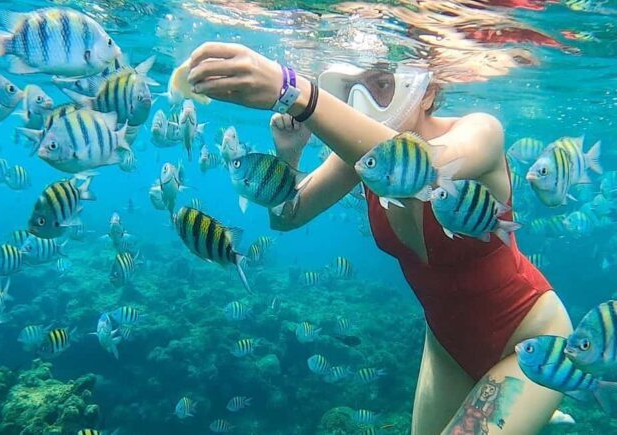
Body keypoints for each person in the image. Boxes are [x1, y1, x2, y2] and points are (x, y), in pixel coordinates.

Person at [184, 42, 572, 434]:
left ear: (428, 91)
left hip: (533, 337)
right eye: (353, 89)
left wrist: (294, 90)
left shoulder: (479, 131)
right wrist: (289, 156)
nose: (364, 101)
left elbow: (428, 164)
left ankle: (540, 403)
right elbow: (287, 218)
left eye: (381, 86)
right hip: (446, 348)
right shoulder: (364, 161)